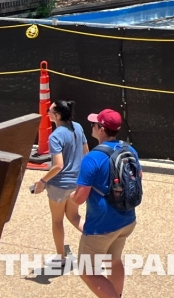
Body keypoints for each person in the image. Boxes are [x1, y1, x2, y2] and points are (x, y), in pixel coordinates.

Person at [72, 109, 139, 298]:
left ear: (101, 129)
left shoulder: (92, 158)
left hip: (102, 225)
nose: (91, 126)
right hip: (127, 219)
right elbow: (138, 177)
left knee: (87, 271)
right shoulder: (129, 149)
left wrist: (70, 199)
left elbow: (80, 197)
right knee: (114, 261)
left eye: (94, 124)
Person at [32, 100, 88, 267]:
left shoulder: (55, 136)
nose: (47, 112)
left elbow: (58, 165)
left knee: (57, 221)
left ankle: (61, 258)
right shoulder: (78, 127)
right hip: (77, 183)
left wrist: (42, 181)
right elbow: (86, 153)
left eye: (49, 110)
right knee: (74, 216)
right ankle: (98, 244)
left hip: (59, 185)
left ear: (57, 115)